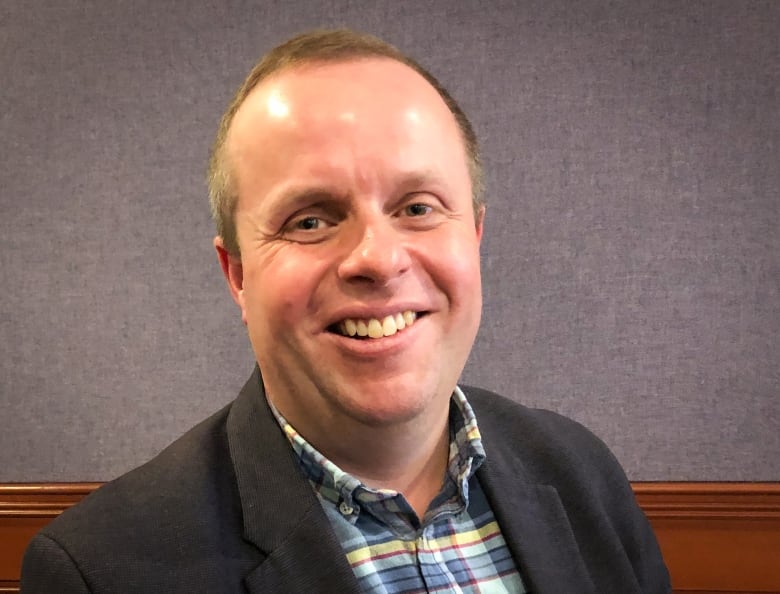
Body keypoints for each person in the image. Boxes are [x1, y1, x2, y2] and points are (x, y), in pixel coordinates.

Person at [21, 29, 671, 593]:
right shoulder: (100, 572)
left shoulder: (582, 474)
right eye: (310, 219)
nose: (378, 259)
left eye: (417, 207)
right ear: (238, 275)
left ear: (473, 236)